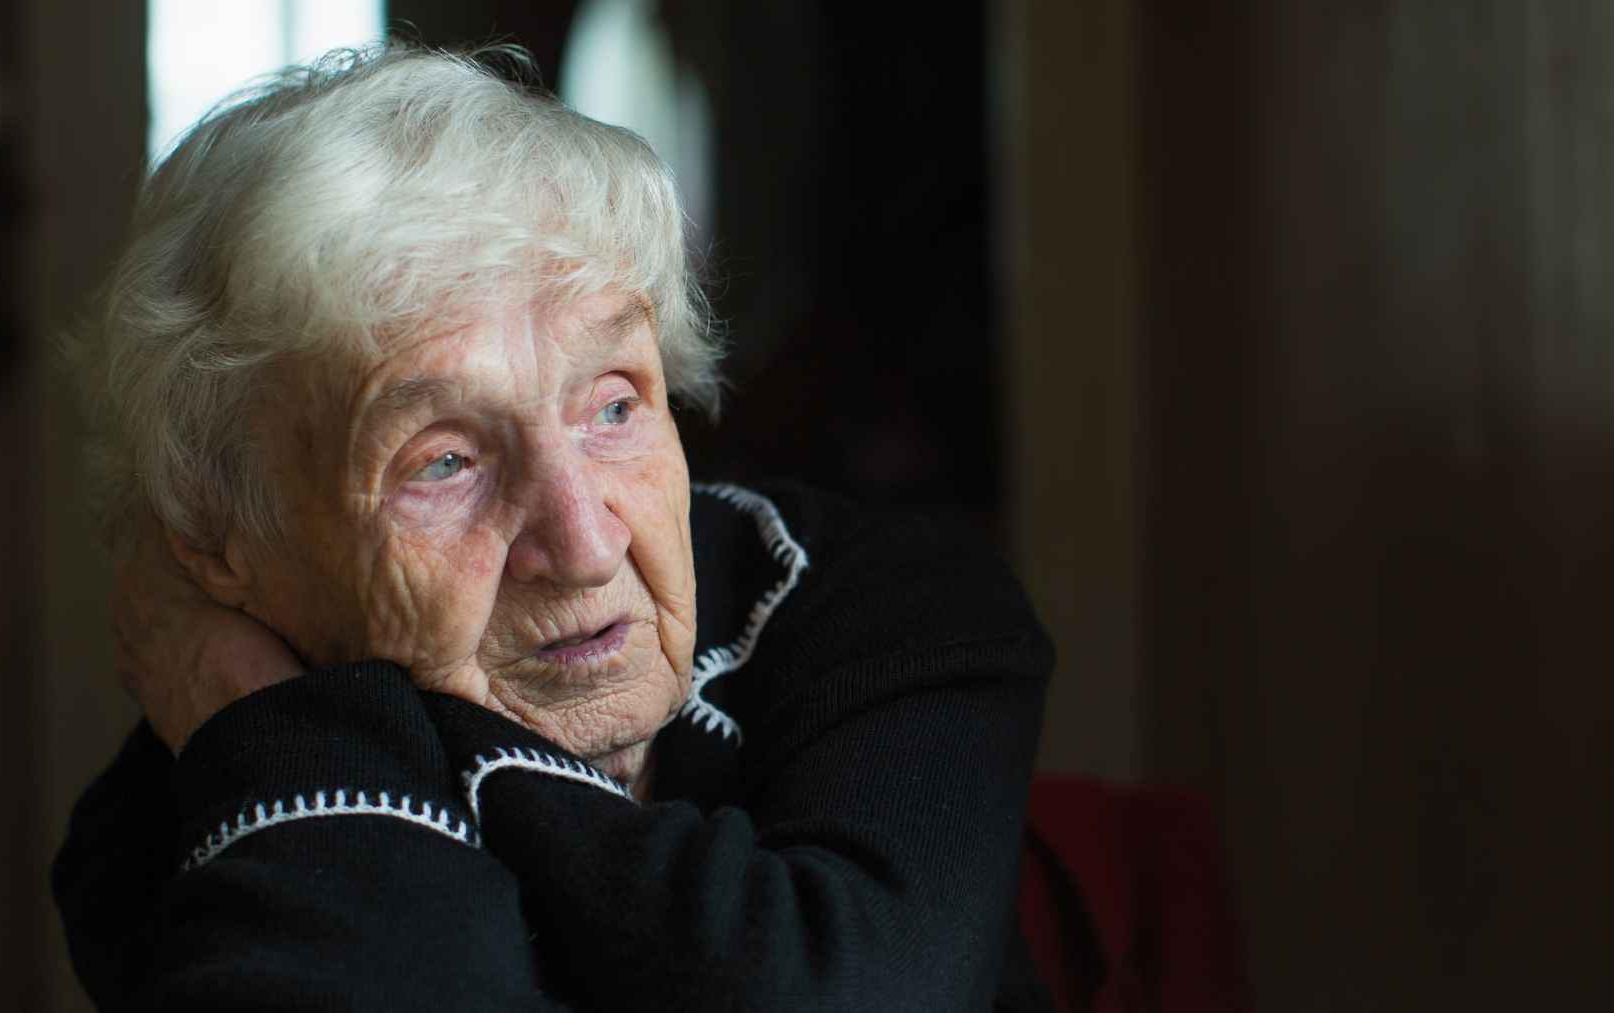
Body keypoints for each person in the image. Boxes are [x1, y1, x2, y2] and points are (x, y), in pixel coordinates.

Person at [53, 41, 1054, 1011]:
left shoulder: (878, 608)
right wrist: (283, 747)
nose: (583, 543)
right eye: (443, 461)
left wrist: (330, 725)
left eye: (614, 406)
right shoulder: (169, 822)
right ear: (221, 539)